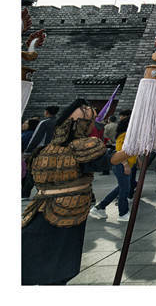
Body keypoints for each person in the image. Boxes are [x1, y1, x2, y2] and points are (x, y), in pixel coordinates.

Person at [21, 99, 112, 285]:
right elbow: (103, 162)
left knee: (44, 262)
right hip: (57, 209)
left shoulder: (56, 148)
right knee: (47, 265)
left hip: (56, 207)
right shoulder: (73, 145)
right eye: (90, 122)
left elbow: (100, 161)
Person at [89, 115, 135, 221]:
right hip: (121, 165)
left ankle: (100, 207)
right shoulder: (124, 135)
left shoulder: (129, 135)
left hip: (127, 165)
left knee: (121, 188)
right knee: (124, 189)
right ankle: (123, 213)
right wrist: (126, 165)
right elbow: (119, 151)